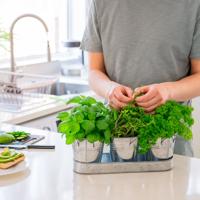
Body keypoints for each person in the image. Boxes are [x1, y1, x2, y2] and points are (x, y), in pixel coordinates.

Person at [80, 0, 200, 156]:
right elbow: (94, 71)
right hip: (117, 136)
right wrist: (110, 90)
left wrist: (167, 91)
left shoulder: (193, 4)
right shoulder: (101, 3)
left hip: (170, 141)